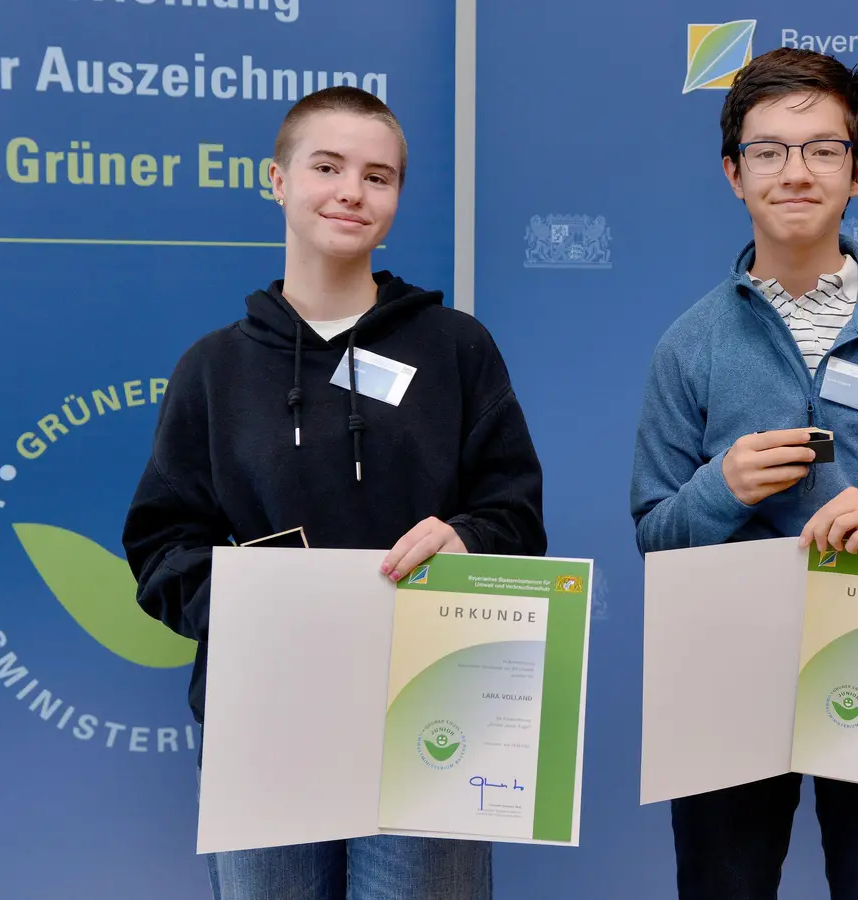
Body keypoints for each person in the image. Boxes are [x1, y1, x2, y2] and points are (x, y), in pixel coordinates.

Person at [121, 85, 545, 900]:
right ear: (276, 181)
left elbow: (515, 514)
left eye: (378, 176)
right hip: (265, 721)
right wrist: (246, 601)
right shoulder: (212, 369)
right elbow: (160, 543)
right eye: (327, 166)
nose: (353, 190)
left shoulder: (458, 349)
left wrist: (470, 542)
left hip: (434, 711)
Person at [630, 48, 858, 900]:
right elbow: (654, 533)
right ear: (733, 173)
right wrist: (724, 487)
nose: (796, 172)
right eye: (769, 150)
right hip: (724, 670)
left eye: (822, 149)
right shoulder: (689, 344)